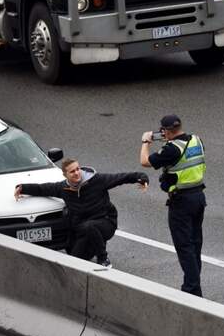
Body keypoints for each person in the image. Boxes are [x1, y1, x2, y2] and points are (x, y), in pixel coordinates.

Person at [14, 158, 148, 268]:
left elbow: (122, 177)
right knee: (74, 262)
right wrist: (22, 188)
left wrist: (142, 178)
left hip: (106, 222)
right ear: (65, 175)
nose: (77, 173)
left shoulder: (97, 180)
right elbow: (43, 189)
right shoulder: (63, 188)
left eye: (78, 169)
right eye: (72, 171)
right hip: (85, 230)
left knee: (90, 226)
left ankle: (103, 258)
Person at [140, 115, 206, 297]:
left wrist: (146, 141)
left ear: (166, 131)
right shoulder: (196, 140)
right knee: (195, 244)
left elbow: (145, 162)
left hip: (182, 201)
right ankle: (193, 283)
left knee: (184, 246)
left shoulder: (172, 148)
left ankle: (192, 290)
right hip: (199, 197)